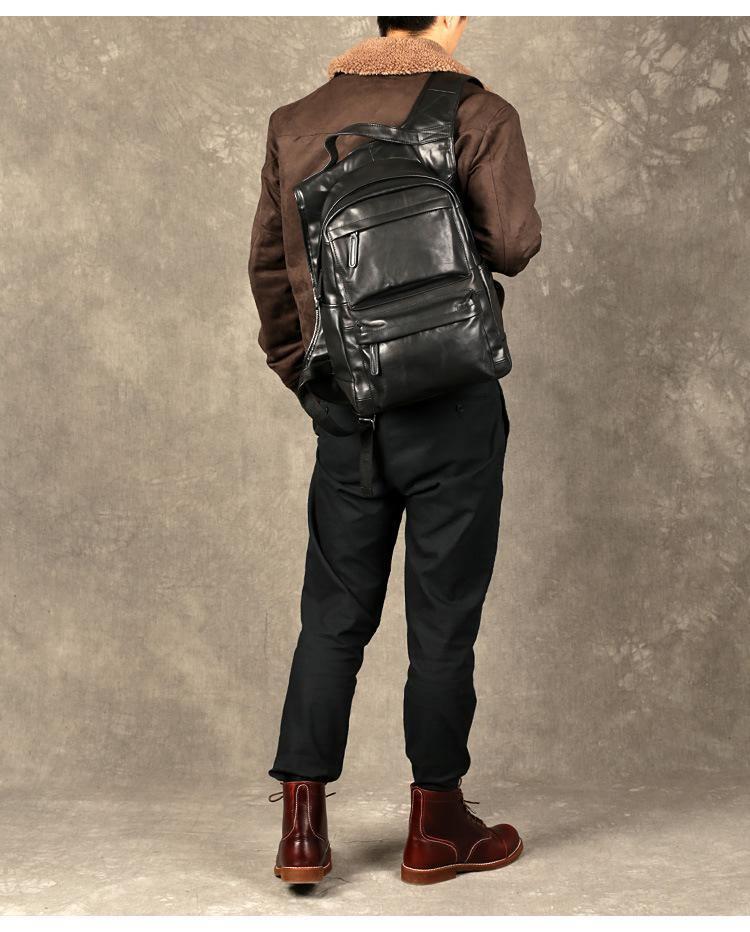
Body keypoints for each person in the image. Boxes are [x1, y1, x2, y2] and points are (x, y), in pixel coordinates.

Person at [249, 15, 542, 885]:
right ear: (450, 15)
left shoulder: (296, 121)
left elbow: (270, 271)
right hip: (452, 401)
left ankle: (303, 833)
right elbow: (514, 244)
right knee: (444, 618)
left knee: (333, 615)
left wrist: (312, 381)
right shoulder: (478, 112)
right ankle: (437, 826)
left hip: (348, 403)